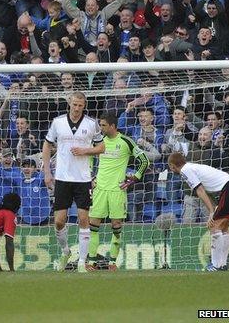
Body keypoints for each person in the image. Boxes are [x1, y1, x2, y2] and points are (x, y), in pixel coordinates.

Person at [42, 91, 104, 272]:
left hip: (82, 179)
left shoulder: (92, 124)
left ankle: (82, 262)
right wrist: (47, 171)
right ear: (69, 103)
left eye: (80, 105)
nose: (77, 108)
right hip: (62, 178)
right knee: (59, 221)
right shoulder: (58, 122)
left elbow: (101, 147)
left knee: (84, 218)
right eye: (74, 104)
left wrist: (85, 151)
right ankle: (65, 250)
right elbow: (47, 144)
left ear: (84, 106)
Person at [85, 113, 150, 271]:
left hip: (117, 190)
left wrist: (133, 178)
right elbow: (90, 158)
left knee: (116, 225)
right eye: (100, 125)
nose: (101, 128)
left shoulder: (126, 141)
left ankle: (112, 262)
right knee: (93, 224)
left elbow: (144, 161)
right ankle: (91, 262)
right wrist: (90, 177)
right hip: (100, 189)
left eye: (104, 125)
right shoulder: (98, 141)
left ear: (113, 126)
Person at [168, 152, 229, 271]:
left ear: (172, 165)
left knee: (214, 227)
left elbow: (200, 190)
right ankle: (222, 265)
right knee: (224, 228)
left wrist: (211, 211)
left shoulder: (186, 170)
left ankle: (214, 265)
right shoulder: (194, 167)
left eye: (170, 167)